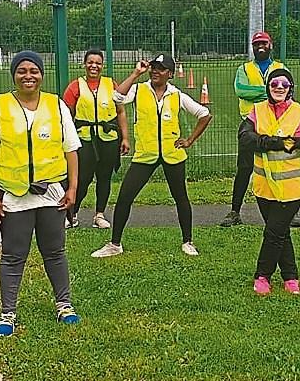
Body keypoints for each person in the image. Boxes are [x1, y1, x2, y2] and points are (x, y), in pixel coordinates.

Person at [0, 50, 81, 336]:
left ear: (41, 75)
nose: (28, 76)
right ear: (14, 75)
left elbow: (71, 149)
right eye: (22, 70)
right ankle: (8, 313)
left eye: (33, 71)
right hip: (14, 195)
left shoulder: (56, 106)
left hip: (52, 193)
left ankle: (64, 305)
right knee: (13, 255)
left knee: (55, 252)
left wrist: (72, 188)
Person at [91, 54, 212, 258]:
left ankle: (188, 241)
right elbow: (117, 97)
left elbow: (204, 114)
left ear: (170, 74)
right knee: (125, 197)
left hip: (172, 154)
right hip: (145, 155)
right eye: (153, 67)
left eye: (161, 68)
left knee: (180, 197)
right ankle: (115, 244)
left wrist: (189, 140)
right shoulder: (139, 90)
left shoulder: (176, 95)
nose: (156, 71)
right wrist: (136, 74)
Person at [239, 68, 300, 295]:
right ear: (268, 87)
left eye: (284, 84)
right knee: (279, 232)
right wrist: (274, 143)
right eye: (274, 83)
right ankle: (290, 277)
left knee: (273, 232)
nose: (279, 87)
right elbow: (245, 137)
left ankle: (262, 276)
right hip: (264, 186)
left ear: (291, 89)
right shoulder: (257, 111)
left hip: (291, 187)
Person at [221, 31, 300, 228]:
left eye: (263, 43)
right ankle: (235, 211)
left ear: (270, 45)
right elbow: (241, 90)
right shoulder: (244, 69)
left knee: (281, 168)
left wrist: (265, 93)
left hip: (278, 123)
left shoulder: (280, 67)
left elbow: (288, 91)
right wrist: (270, 91)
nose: (260, 47)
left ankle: (288, 213)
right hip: (251, 124)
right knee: (244, 169)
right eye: (256, 44)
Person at [62, 49, 129, 229]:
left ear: (102, 65)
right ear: (84, 64)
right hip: (84, 139)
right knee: (81, 178)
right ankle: (72, 214)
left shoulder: (111, 84)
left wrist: (125, 138)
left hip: (108, 139)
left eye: (98, 63)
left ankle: (99, 215)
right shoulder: (75, 86)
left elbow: (121, 112)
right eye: (90, 62)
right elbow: (66, 115)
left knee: (104, 178)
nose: (94, 66)